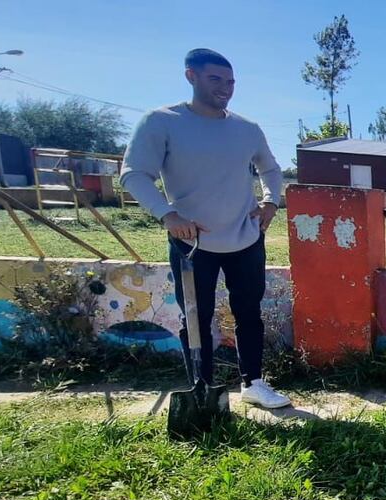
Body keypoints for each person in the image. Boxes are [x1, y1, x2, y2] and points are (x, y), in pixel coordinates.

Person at [121, 48, 290, 409]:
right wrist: (168, 215)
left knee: (249, 312)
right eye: (215, 80)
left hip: (245, 237)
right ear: (191, 76)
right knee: (196, 317)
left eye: (230, 82)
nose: (225, 89)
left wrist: (270, 202)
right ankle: (202, 388)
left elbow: (271, 170)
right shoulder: (161, 122)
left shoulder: (247, 129)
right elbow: (135, 174)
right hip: (192, 241)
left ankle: (254, 383)